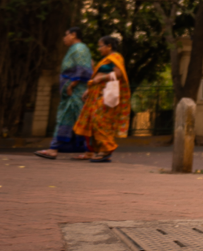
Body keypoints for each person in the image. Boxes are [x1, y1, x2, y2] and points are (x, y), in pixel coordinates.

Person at [34, 27, 94, 159]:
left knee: (75, 119)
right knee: (71, 120)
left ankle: (55, 149)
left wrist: (72, 85)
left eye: (66, 35)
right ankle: (58, 148)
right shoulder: (75, 49)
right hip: (71, 93)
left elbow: (83, 69)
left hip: (75, 92)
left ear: (73, 35)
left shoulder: (79, 48)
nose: (64, 38)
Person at [73, 34, 131, 162]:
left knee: (100, 120)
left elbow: (119, 74)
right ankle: (99, 150)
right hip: (97, 93)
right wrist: (89, 89)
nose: (99, 49)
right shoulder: (105, 59)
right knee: (95, 120)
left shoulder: (116, 57)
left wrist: (100, 78)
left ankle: (106, 150)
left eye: (100, 46)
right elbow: (98, 75)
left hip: (106, 95)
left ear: (109, 46)